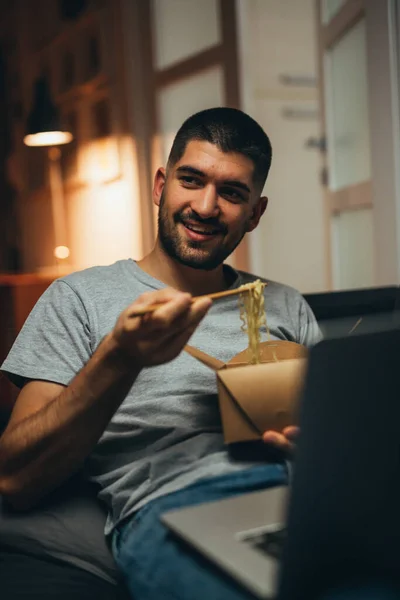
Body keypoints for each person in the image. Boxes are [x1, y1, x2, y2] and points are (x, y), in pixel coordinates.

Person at [0, 107, 320, 599]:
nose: (206, 206)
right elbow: (15, 477)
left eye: (232, 192)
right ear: (160, 186)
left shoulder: (285, 304)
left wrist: (316, 448)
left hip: (302, 503)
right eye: (191, 180)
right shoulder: (79, 298)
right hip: (175, 510)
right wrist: (121, 357)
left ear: (255, 213)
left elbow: (334, 433)